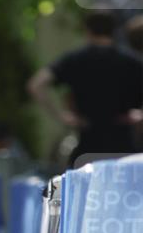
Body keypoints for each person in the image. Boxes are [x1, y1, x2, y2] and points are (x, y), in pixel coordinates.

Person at [27, 11, 143, 165]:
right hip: (124, 145)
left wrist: (62, 116)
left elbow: (36, 85)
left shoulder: (74, 59)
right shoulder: (131, 61)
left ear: (87, 30)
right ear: (114, 30)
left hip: (87, 144)